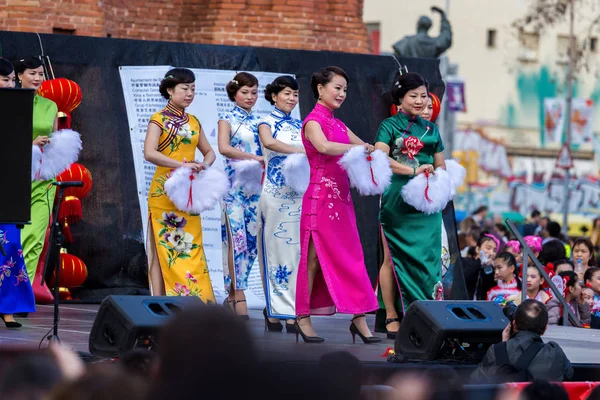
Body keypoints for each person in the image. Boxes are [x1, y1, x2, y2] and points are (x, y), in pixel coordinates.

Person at [295, 66, 380, 344]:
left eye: (345, 89)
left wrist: (377, 151)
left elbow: (366, 146)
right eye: (337, 88)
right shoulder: (312, 122)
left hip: (342, 204)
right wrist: (359, 148)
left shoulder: (340, 125)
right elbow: (324, 147)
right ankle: (302, 318)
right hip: (319, 202)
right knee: (313, 261)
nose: (342, 94)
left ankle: (359, 319)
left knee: (353, 258)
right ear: (320, 89)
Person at [374, 72, 446, 331]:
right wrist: (413, 171)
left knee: (428, 258)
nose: (419, 101)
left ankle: (427, 312)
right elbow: (380, 159)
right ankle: (391, 314)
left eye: (423, 96)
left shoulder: (432, 128)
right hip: (397, 199)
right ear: (400, 99)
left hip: (426, 204)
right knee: (392, 258)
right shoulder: (389, 126)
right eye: (413, 96)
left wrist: (437, 182)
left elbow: (440, 165)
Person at [144, 68, 216, 303]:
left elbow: (209, 152)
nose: (189, 93)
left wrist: (202, 166)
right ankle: (165, 305)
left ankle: (198, 303)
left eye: (193, 89)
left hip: (187, 193)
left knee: (192, 247)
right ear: (169, 90)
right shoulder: (159, 119)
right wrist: (180, 165)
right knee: (164, 250)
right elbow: (149, 153)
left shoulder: (193, 121)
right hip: (164, 192)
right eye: (184, 88)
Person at [257, 76, 304, 332]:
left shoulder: (300, 124)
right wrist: (304, 152)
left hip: (298, 194)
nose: (291, 99)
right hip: (275, 195)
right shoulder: (266, 121)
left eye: (295, 94)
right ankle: (278, 310)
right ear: (274, 95)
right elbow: (269, 143)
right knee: (275, 251)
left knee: (296, 253)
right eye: (287, 93)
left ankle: (287, 311)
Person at [218, 72, 263, 319]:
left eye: (254, 92)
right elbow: (224, 148)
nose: (250, 97)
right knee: (236, 241)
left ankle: (232, 293)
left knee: (253, 244)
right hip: (234, 190)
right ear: (234, 93)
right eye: (245, 92)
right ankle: (238, 293)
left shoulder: (261, 121)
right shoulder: (226, 119)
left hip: (256, 190)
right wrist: (255, 158)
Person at [14, 57, 58, 285]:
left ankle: (21, 294)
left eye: (41, 73)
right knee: (11, 240)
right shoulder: (8, 103)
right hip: (12, 179)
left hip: (43, 179)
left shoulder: (50, 106)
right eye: (32, 73)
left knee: (35, 237)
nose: (38, 78)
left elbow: (55, 139)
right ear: (19, 76)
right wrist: (30, 144)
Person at [0, 58, 35, 328]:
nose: (10, 84)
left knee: (10, 245)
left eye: (12, 80)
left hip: (8, 187)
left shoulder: (19, 107)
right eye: (5, 80)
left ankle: (8, 308)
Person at [472, 299, 573, 383]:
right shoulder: (554, 352)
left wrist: (502, 346)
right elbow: (569, 374)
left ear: (514, 324)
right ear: (545, 329)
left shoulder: (495, 351)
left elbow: (475, 381)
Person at [462, 234, 498, 299]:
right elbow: (464, 278)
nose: (492, 253)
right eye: (488, 248)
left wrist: (492, 269)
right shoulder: (465, 262)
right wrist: (479, 262)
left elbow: (491, 287)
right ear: (478, 249)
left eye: (494, 250)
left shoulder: (492, 269)